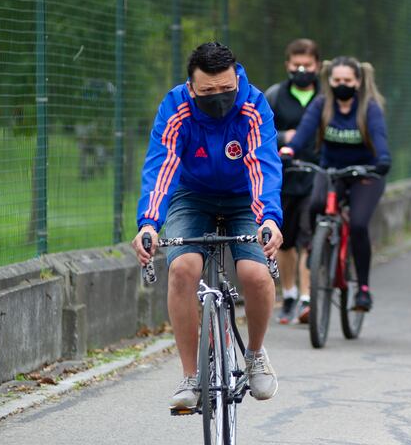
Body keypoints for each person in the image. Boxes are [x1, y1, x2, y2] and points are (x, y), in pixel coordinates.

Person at [130, 42, 283, 410]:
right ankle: (190, 377)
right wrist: (149, 223)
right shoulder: (176, 107)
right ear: (191, 86)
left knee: (256, 274)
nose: (218, 97)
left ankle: (256, 355)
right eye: (207, 92)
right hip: (192, 196)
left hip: (244, 198)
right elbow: (162, 164)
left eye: (226, 89)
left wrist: (268, 219)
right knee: (182, 268)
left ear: (236, 78)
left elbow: (263, 163)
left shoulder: (253, 105)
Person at [282, 56, 390, 312]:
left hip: (366, 173)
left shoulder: (369, 107)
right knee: (316, 203)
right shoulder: (323, 105)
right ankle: (317, 247)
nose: (342, 84)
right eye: (337, 80)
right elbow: (304, 132)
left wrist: (383, 159)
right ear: (329, 81)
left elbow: (379, 136)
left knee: (358, 224)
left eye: (348, 80)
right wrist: (289, 150)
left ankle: (362, 289)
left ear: (358, 81)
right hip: (332, 170)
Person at [264, 39, 322, 325]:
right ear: (288, 65)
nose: (302, 70)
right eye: (296, 65)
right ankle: (288, 294)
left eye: (308, 66)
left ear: (318, 66)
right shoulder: (275, 96)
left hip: (315, 175)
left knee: (308, 238)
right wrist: (286, 138)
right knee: (285, 243)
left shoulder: (326, 96)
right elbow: (260, 132)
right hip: (283, 176)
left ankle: (306, 300)